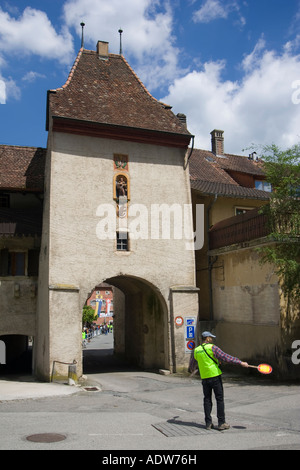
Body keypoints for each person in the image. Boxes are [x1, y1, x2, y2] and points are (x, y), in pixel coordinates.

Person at [194, 331, 249, 431]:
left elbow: (194, 364)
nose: (212, 339)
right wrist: (240, 362)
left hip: (204, 378)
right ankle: (221, 423)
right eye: (211, 338)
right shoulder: (212, 347)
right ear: (207, 338)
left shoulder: (196, 350)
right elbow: (226, 357)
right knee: (219, 399)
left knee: (207, 399)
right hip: (215, 376)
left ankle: (208, 423)